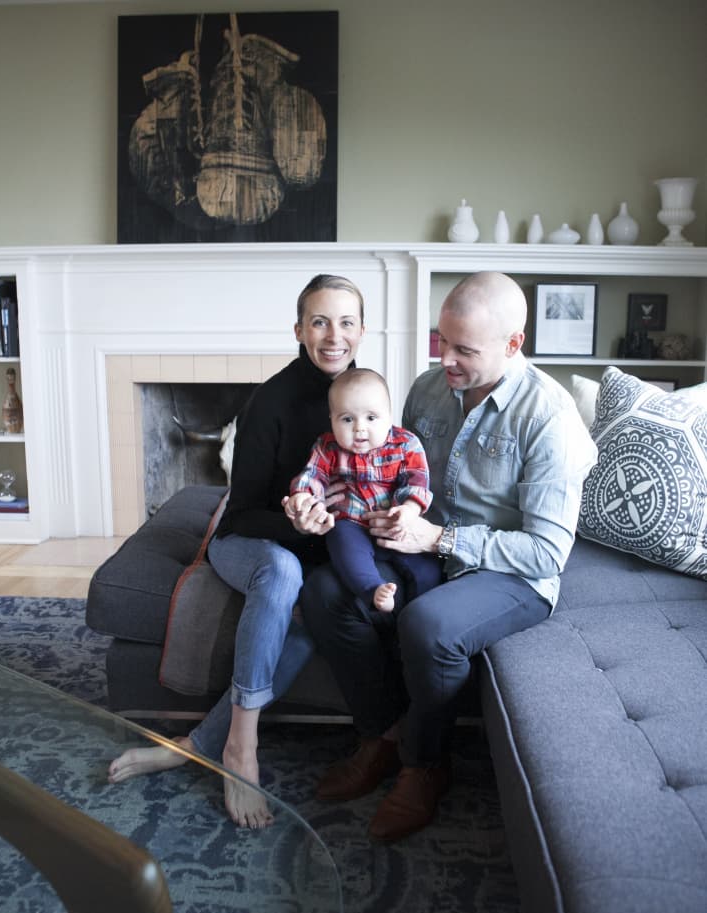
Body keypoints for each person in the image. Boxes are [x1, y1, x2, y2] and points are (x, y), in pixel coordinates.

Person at [294, 271, 598, 843]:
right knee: (323, 591)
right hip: (420, 545)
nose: (446, 360)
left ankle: (424, 764)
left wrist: (437, 539)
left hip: (508, 572)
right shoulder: (429, 389)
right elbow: (395, 467)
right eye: (442, 341)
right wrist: (346, 498)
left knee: (427, 624)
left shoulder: (549, 417)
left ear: (513, 343)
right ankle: (381, 735)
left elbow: (546, 553)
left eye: (465, 350)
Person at [108, 273, 366, 829]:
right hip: (248, 540)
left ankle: (196, 743)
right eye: (320, 322)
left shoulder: (366, 398)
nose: (333, 336)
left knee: (313, 614)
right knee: (281, 571)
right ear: (299, 330)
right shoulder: (270, 402)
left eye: (346, 322)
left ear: (362, 331)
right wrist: (297, 523)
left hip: (321, 546)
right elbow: (242, 510)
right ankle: (241, 751)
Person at [286, 368, 442, 613]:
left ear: (388, 416)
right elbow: (313, 474)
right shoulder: (327, 447)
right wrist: (304, 496)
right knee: (342, 543)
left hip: (395, 521)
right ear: (332, 419)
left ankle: (421, 610)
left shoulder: (405, 444)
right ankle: (372, 589)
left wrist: (409, 510)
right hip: (352, 524)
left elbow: (417, 480)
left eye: (371, 418)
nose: (359, 428)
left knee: (427, 571)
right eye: (347, 419)